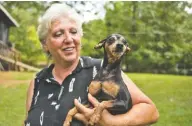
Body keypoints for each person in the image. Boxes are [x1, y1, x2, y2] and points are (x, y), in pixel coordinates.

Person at [24, 3, 159, 126]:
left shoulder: (103, 69)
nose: (69, 39)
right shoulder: (37, 82)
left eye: (73, 32)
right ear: (45, 44)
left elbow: (150, 111)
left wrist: (113, 122)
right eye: (58, 34)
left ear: (80, 37)